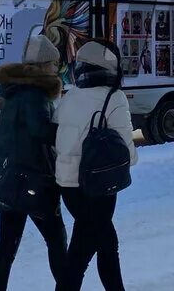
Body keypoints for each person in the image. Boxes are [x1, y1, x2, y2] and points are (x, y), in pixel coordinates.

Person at [54, 40, 137, 291]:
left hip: (68, 186)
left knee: (87, 244)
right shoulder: (114, 97)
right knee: (101, 246)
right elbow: (126, 152)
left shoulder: (70, 96)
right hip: (98, 185)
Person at [0, 35, 69, 291]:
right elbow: (41, 131)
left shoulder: (15, 92)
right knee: (56, 239)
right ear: (46, 65)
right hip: (32, 180)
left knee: (6, 245)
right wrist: (69, 130)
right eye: (55, 65)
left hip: (7, 179)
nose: (57, 69)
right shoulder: (35, 93)